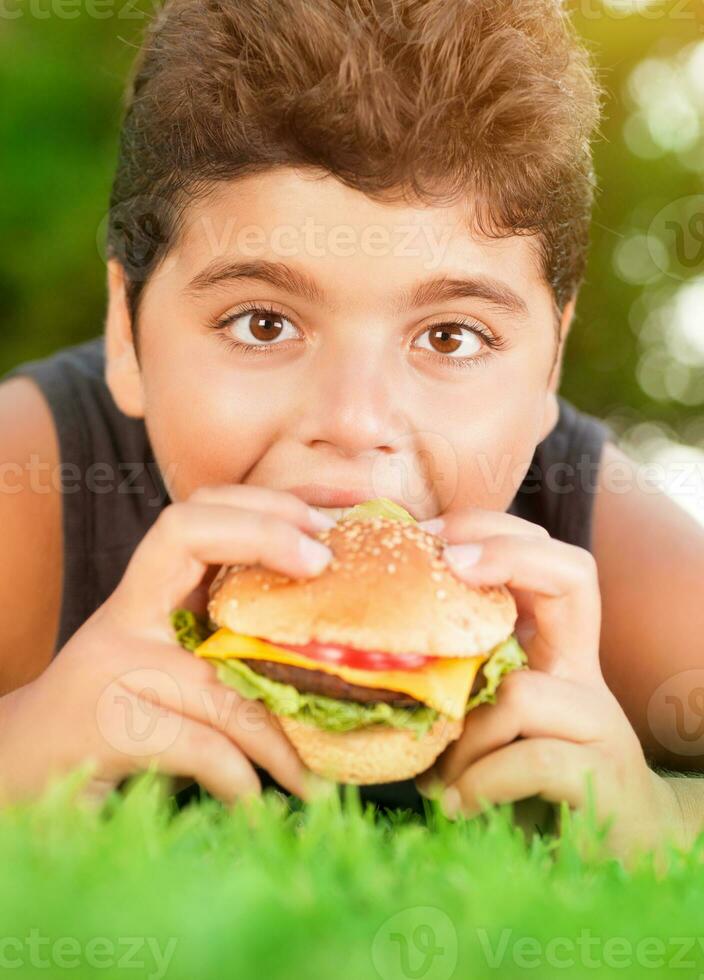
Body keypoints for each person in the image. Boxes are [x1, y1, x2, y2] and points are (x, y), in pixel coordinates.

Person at [1, 0, 703, 864]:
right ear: (126, 332)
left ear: (548, 367)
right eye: (262, 324)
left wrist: (661, 817)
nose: (355, 425)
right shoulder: (34, 486)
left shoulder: (595, 540)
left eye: (451, 337)